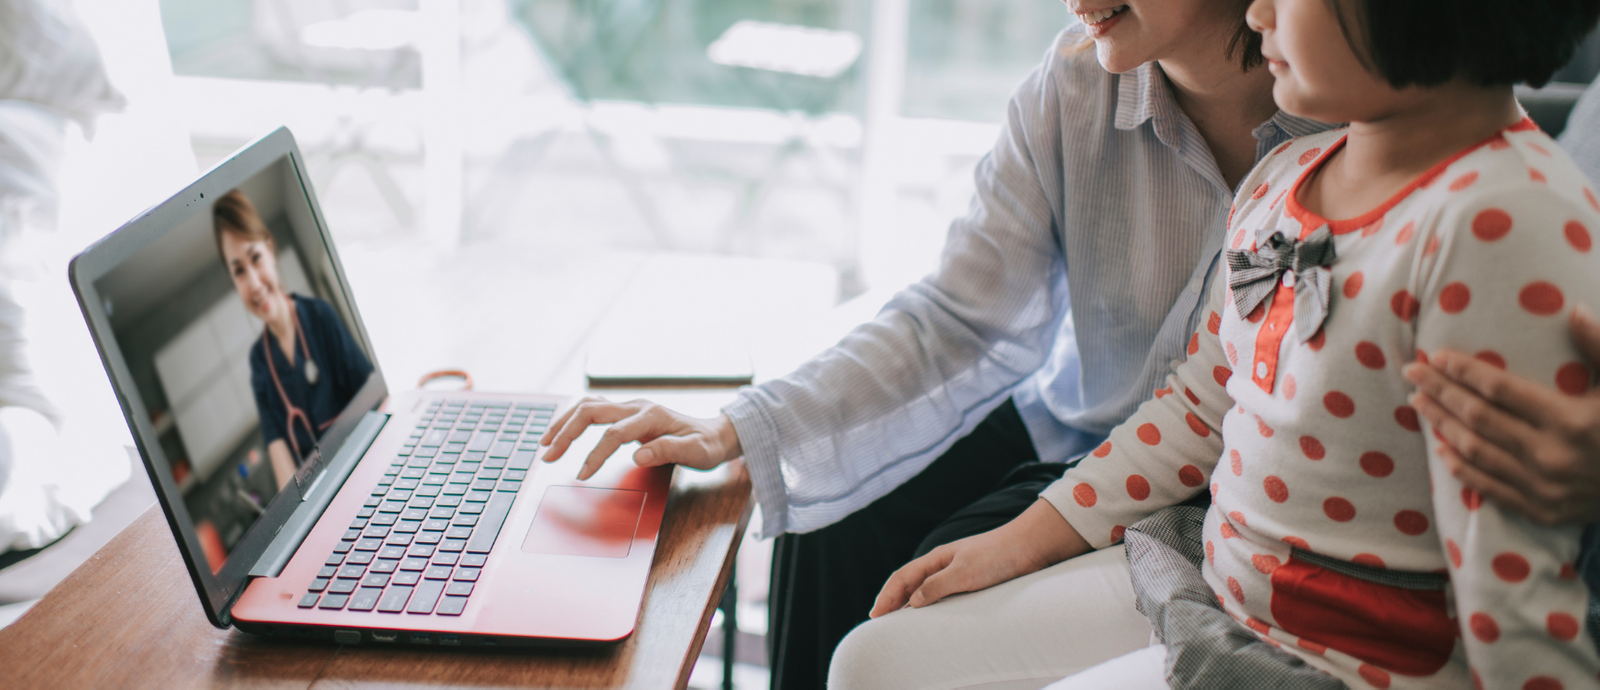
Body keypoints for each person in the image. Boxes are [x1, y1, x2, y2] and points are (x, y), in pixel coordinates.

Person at [538, 4, 1600, 688]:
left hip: (1244, 522)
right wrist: (739, 422)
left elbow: (1509, 551)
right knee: (834, 523)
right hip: (1099, 448)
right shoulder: (1080, 86)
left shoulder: (1410, 143)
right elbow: (961, 316)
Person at [213, 189, 373, 490]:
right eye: (239, 271)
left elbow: (374, 400)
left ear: (270, 251)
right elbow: (282, 461)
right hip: (319, 497)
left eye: (256, 258)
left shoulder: (319, 317)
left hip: (365, 467)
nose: (255, 284)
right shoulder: (260, 363)